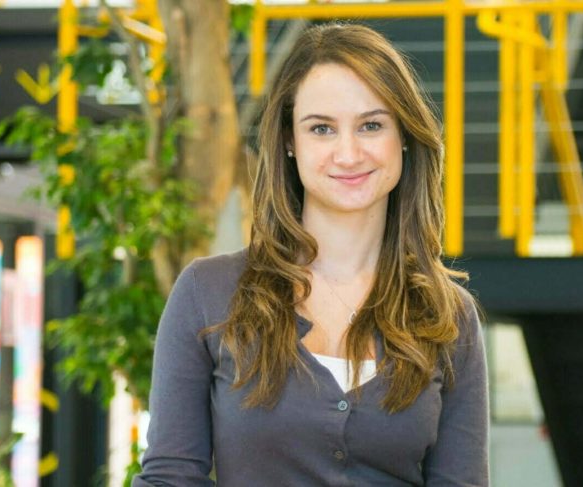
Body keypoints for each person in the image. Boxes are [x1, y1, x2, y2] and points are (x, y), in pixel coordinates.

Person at [133, 22, 488, 486]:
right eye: (321, 128)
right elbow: (170, 477)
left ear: (403, 134)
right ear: (289, 141)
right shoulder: (208, 293)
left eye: (371, 125)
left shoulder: (448, 316)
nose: (348, 153)